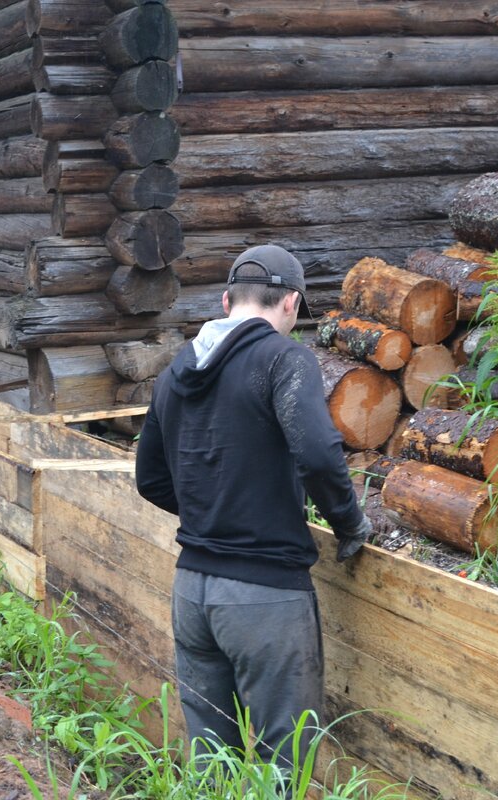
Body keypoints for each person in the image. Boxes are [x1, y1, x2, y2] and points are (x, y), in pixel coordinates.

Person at [134, 244, 372, 766]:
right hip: (265, 598)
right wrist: (350, 524)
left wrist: (210, 513)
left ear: (225, 301)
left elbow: (150, 479)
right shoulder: (284, 359)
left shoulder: (177, 370)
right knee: (282, 765)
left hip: (192, 592)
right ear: (290, 303)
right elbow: (317, 453)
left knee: (212, 760)